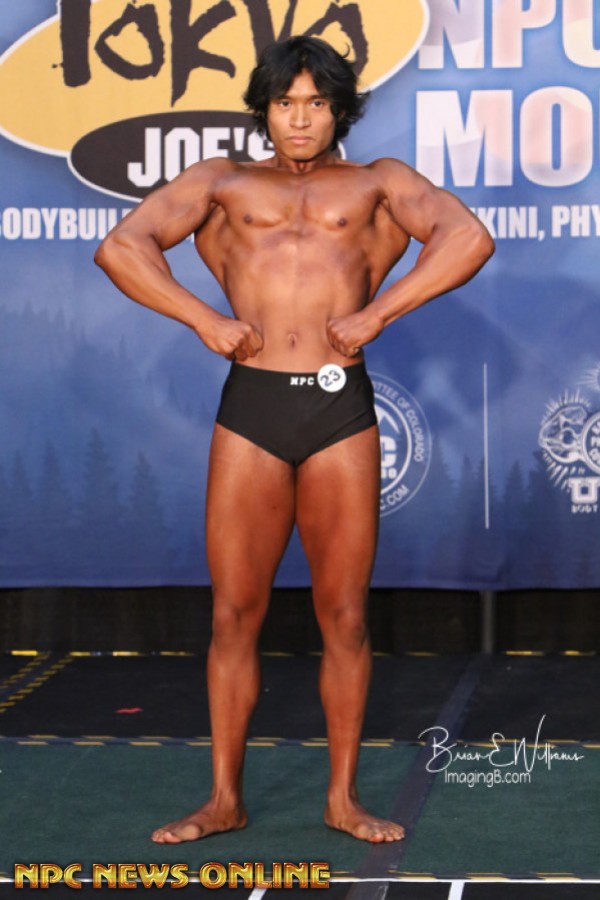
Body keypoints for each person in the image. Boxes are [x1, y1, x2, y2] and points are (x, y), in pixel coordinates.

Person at [95, 35, 494, 844]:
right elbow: (120, 246)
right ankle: (223, 799)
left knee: (343, 615)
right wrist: (203, 319)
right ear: (265, 110)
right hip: (253, 408)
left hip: (339, 410)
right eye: (285, 103)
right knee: (233, 614)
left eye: (316, 103)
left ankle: (343, 799)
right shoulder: (222, 182)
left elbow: (468, 238)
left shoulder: (378, 183)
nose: (300, 119)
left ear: (339, 110)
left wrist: (378, 314)